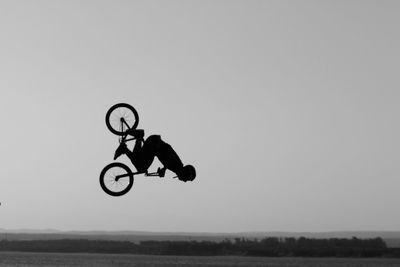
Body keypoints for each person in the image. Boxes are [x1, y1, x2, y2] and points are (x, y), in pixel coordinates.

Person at [113, 129, 196, 182]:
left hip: (154, 144)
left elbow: (167, 158)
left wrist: (163, 170)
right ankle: (131, 142)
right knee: (141, 167)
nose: (184, 181)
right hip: (154, 144)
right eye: (186, 179)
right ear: (186, 173)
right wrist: (164, 169)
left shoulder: (177, 168)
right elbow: (170, 157)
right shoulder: (178, 165)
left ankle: (135, 140)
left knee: (139, 162)